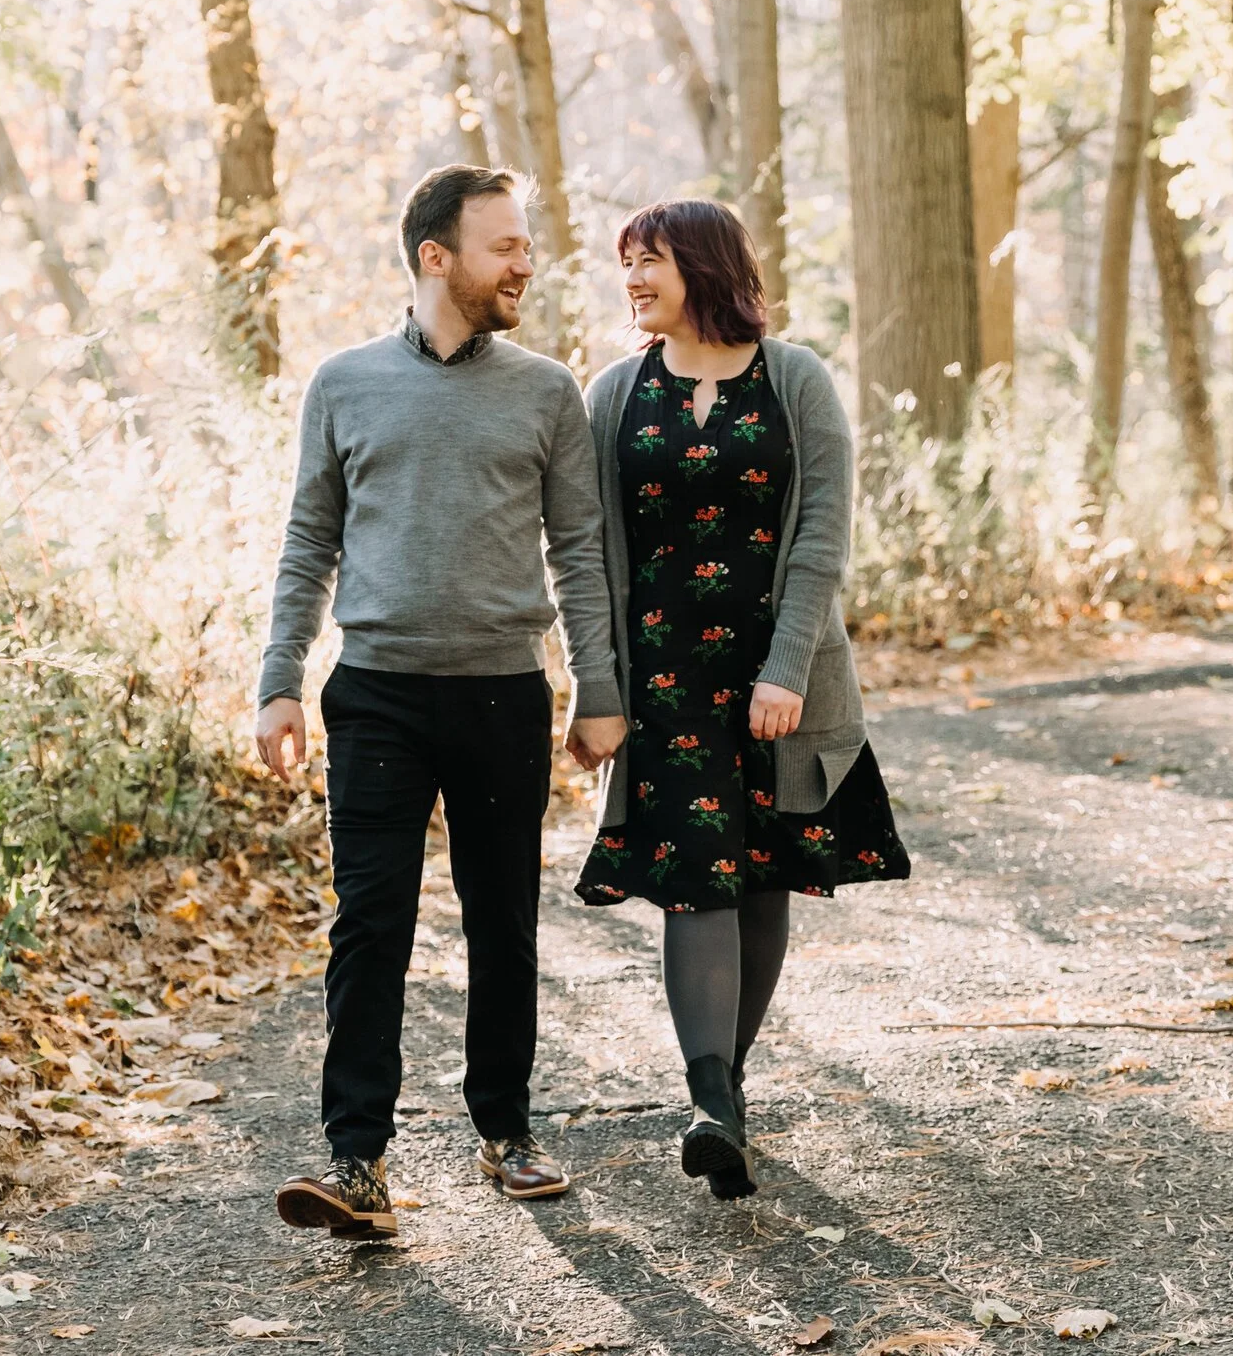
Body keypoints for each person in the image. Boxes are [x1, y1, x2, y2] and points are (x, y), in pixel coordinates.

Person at [254, 164, 629, 1240]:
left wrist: (597, 689)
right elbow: (308, 540)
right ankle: (355, 1159)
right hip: (372, 694)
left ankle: (506, 1129)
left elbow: (577, 551)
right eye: (503, 246)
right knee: (370, 924)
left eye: (522, 245)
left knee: (501, 921)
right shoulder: (344, 381)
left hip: (502, 694)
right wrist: (279, 676)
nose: (524, 264)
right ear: (435, 256)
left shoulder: (546, 389)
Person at [574, 198, 910, 1199]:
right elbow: (588, 555)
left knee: (760, 874)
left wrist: (787, 669)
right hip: (661, 679)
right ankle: (710, 1096)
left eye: (650, 260)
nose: (632, 279)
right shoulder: (613, 392)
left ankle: (729, 1097)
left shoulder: (795, 379)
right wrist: (595, 681)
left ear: (706, 265)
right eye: (625, 263)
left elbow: (821, 539)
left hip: (776, 676)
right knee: (694, 877)